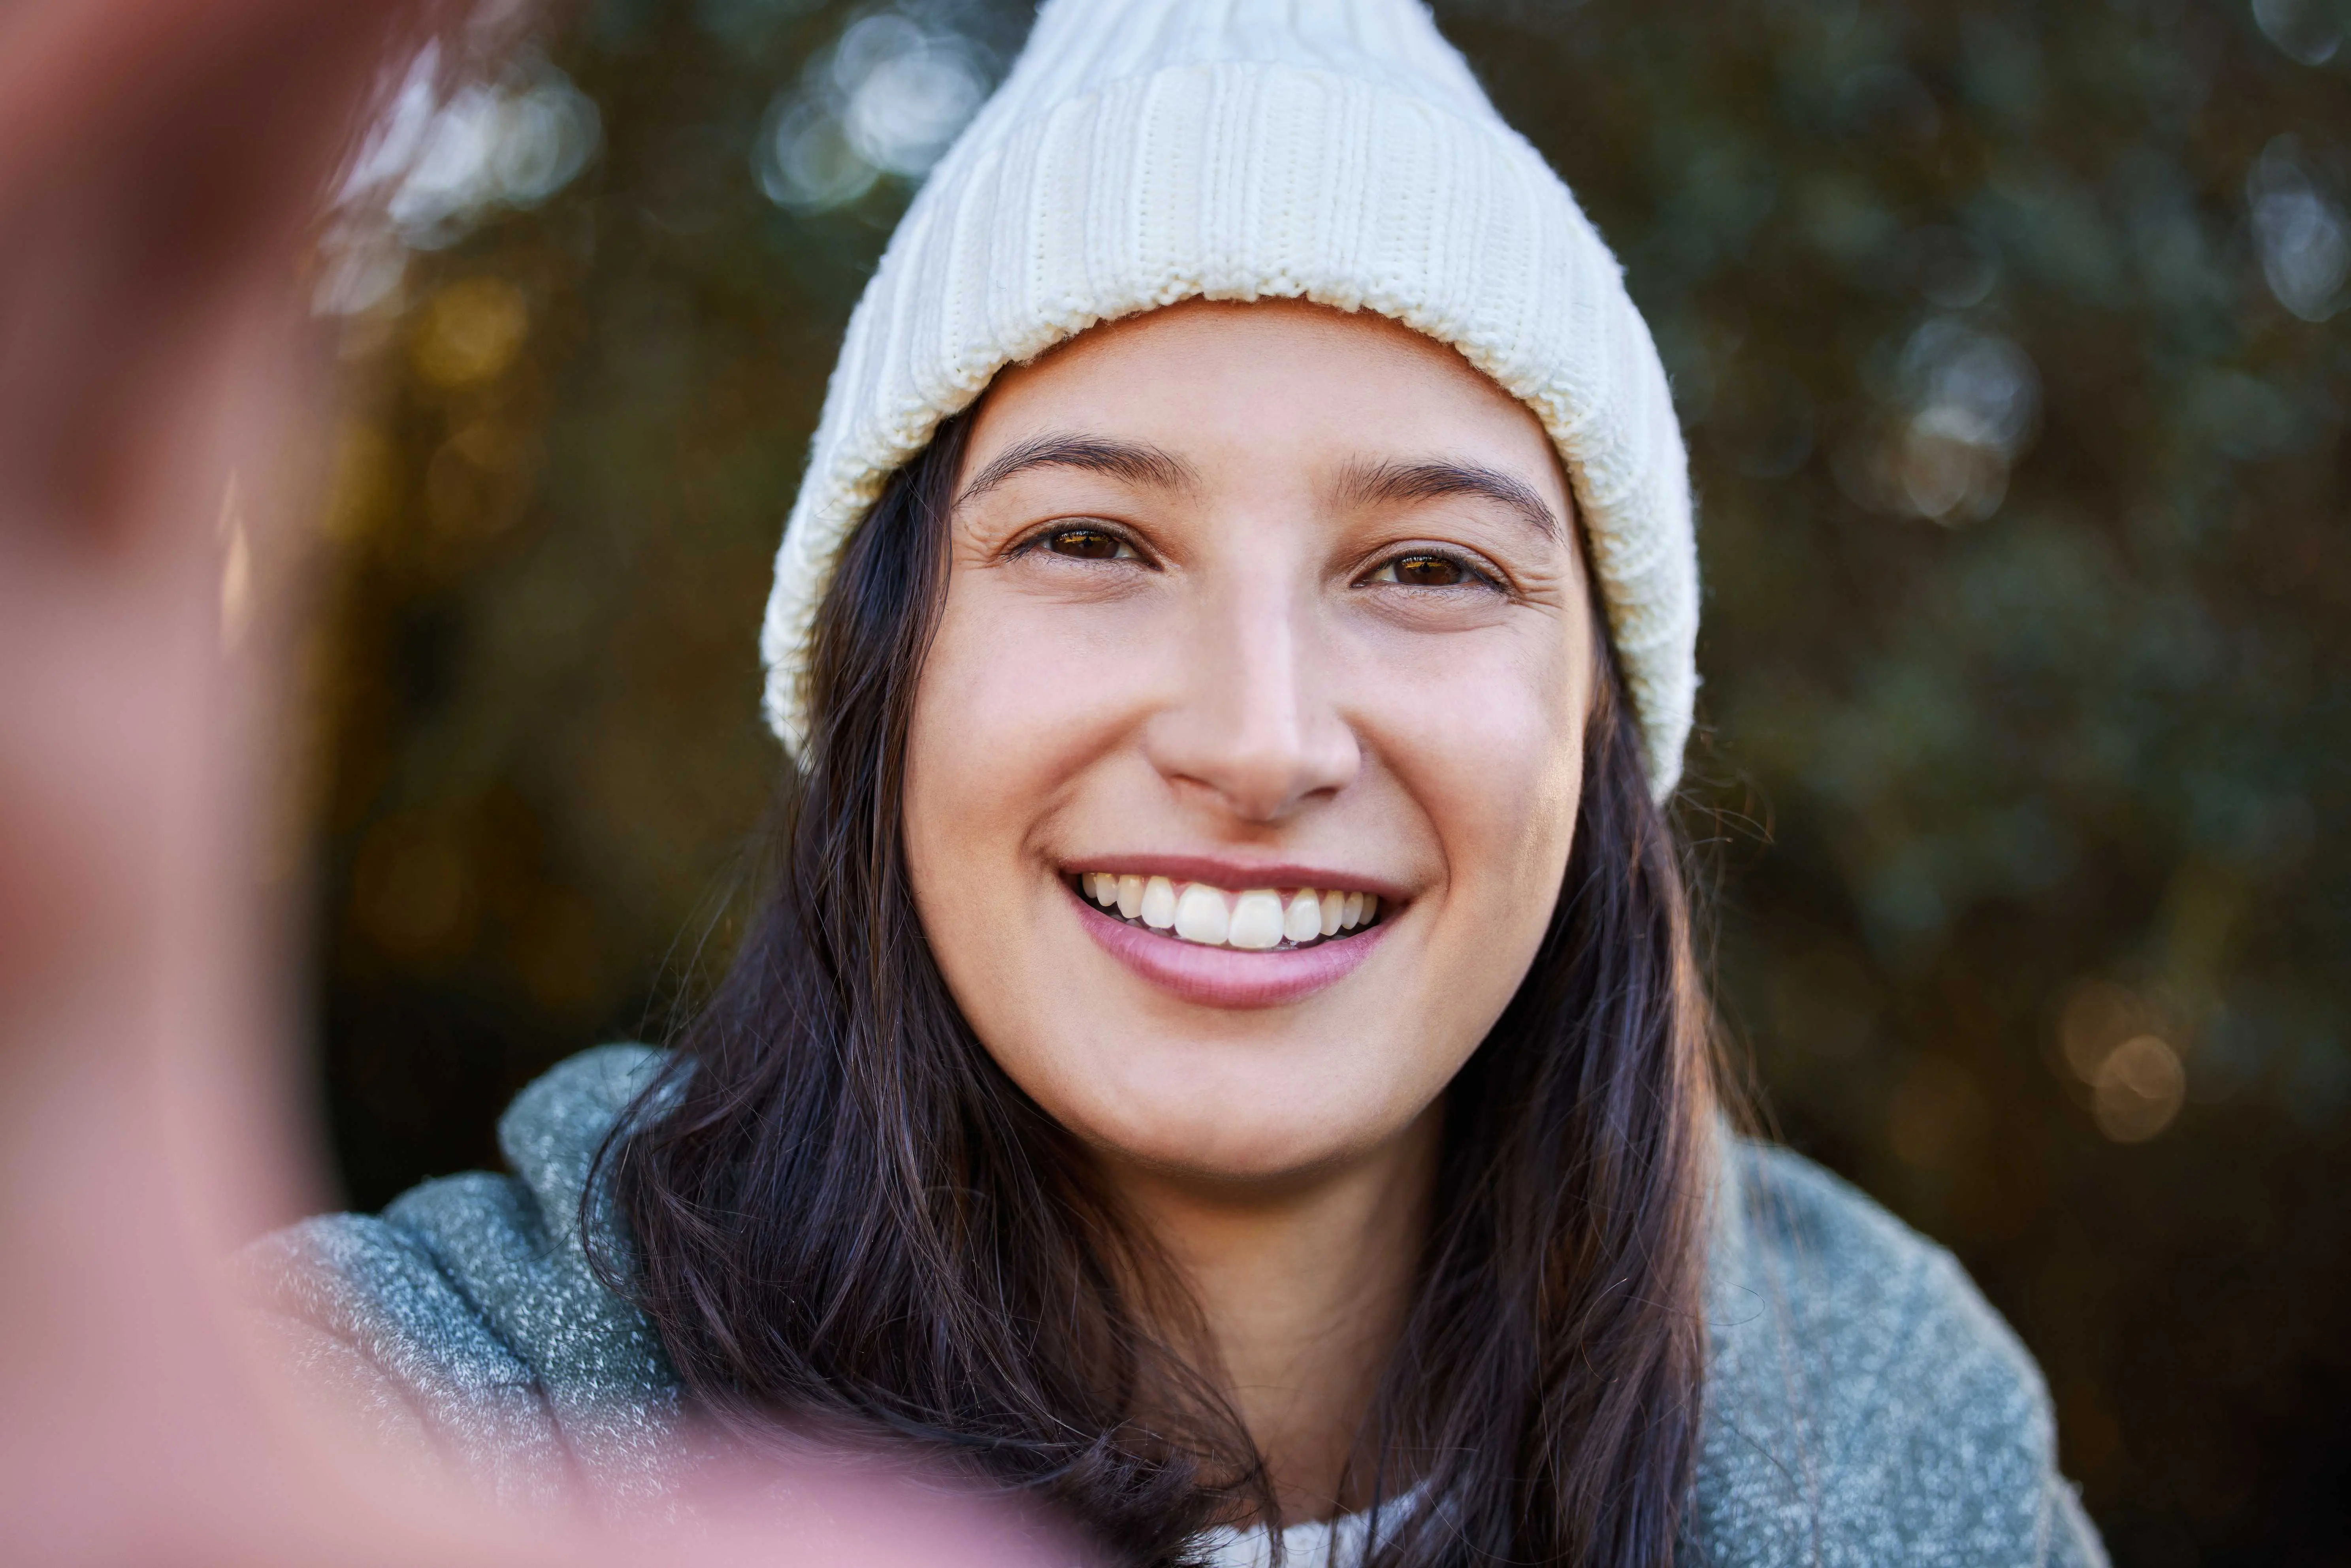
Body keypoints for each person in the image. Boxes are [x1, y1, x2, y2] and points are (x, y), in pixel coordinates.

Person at [249, 1, 2108, 1564]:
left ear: (1603, 733)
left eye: (1428, 568)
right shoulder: (412, 1429)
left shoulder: (1897, 1438)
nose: (1258, 738)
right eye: (1090, 540)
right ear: (881, 679)